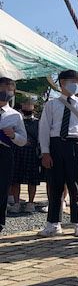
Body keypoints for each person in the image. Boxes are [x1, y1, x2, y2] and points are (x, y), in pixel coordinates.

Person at [38, 70, 78, 237]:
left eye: (77, 82)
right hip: (55, 145)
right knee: (55, 185)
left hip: (75, 145)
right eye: (72, 81)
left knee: (75, 185)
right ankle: (53, 224)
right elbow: (44, 128)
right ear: (62, 83)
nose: (75, 85)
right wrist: (45, 152)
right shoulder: (51, 105)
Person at [0, 78, 27, 234]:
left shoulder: (16, 115)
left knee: (2, 188)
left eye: (9, 90)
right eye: (2, 88)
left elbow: (23, 140)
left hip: (4, 153)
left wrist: (13, 135)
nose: (5, 92)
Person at [9, 98, 42, 214]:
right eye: (25, 104)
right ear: (22, 106)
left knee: (32, 180)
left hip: (32, 152)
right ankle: (16, 203)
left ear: (34, 107)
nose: (27, 106)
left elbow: (40, 137)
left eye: (29, 104)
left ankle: (31, 203)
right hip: (17, 150)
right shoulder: (17, 121)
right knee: (15, 179)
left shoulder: (38, 122)